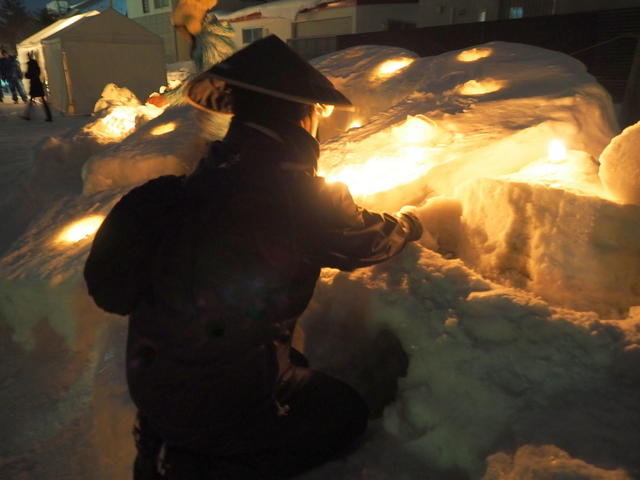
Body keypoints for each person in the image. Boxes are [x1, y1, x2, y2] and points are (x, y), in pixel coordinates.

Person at [100, 35, 424, 479]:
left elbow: (109, 291)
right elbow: (368, 239)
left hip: (152, 388)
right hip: (223, 402)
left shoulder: (182, 189)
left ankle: (170, 439)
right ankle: (199, 464)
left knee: (288, 369)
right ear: (304, 116)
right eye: (316, 116)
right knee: (344, 413)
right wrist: (411, 224)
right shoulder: (296, 197)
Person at [22, 52, 52, 122]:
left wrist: (26, 74)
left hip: (34, 83)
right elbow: (37, 73)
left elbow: (29, 75)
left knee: (32, 99)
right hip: (38, 83)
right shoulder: (36, 65)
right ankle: (49, 116)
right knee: (42, 100)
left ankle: (27, 115)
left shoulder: (30, 65)